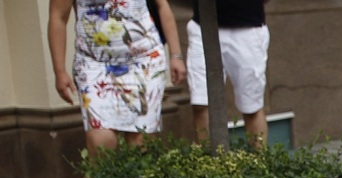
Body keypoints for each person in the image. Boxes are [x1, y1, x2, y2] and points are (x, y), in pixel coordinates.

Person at [47, 0, 186, 156]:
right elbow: (57, 17)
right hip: (94, 64)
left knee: (141, 143)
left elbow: (162, 6)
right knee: (102, 144)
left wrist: (176, 55)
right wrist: (59, 71)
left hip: (145, 59)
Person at [188, 0, 270, 145]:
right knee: (200, 102)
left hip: (247, 27)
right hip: (203, 25)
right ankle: (206, 163)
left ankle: (259, 164)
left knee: (251, 106)